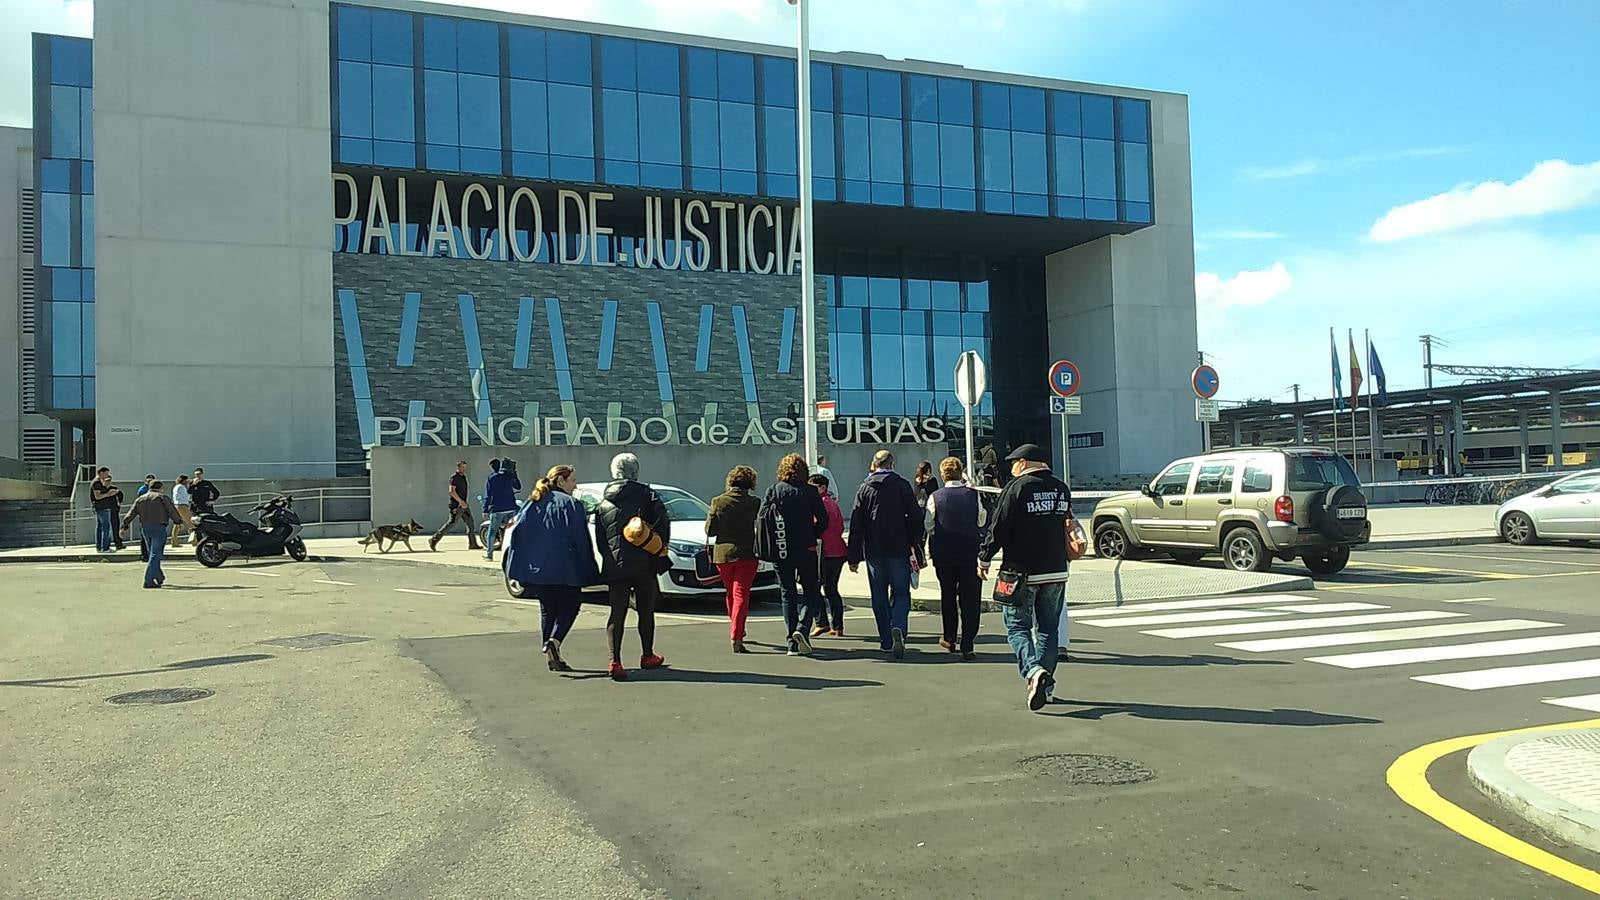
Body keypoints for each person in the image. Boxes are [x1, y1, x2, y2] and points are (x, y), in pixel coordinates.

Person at [978, 443, 1073, 712]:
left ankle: (1033, 671)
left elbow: (1000, 526)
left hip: (1020, 570)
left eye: (1013, 462)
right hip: (1056, 568)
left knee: (1017, 627)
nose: (1011, 466)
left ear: (1024, 462)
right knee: (1047, 629)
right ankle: (1048, 686)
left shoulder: (1017, 488)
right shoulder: (1060, 488)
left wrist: (984, 557)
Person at [504, 464, 598, 672]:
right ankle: (554, 642)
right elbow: (581, 540)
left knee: (548, 609)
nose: (575, 484)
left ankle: (551, 654)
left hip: (538, 569)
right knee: (571, 605)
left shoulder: (533, 502)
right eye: (572, 480)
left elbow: (518, 533)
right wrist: (589, 568)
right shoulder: (572, 504)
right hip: (565, 567)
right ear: (561, 481)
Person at [594, 452, 669, 680]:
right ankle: (647, 655)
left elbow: (600, 539)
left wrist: (609, 558)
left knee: (617, 613)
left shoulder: (603, 502)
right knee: (646, 611)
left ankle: (614, 660)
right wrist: (658, 553)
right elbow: (663, 524)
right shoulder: (647, 495)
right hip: (644, 563)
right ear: (636, 472)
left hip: (616, 566)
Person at [847, 449, 924, 659]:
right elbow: (916, 515)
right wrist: (916, 540)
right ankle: (898, 625)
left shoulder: (864, 488)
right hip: (899, 547)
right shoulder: (901, 485)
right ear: (892, 464)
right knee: (901, 593)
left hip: (874, 549)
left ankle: (886, 640)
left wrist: (853, 556)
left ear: (874, 464)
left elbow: (856, 524)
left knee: (878, 594)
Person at [756, 453, 828, 656]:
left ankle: (791, 643)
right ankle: (803, 628)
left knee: (787, 594)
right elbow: (823, 519)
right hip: (805, 547)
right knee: (811, 590)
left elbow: (762, 517)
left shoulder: (774, 490)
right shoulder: (810, 491)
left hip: (781, 548)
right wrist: (813, 534)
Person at [926, 456, 987, 661]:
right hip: (970, 551)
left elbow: (928, 524)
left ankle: (949, 637)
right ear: (961, 473)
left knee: (948, 595)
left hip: (944, 553)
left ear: (943, 474)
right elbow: (981, 519)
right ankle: (968, 643)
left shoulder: (936, 496)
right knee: (971, 598)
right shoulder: (972, 495)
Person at [705, 465, 761, 654]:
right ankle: (736, 635)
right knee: (741, 594)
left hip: (723, 555)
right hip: (746, 553)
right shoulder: (755, 502)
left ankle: (736, 626)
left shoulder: (718, 501)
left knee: (730, 593)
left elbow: (710, 530)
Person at [121, 480, 182, 588]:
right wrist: (178, 521)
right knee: (156, 554)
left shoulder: (140, 499)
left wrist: (124, 526)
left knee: (152, 554)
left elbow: (131, 513)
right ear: (160, 488)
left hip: (145, 527)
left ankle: (159, 577)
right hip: (159, 526)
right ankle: (148, 580)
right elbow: (171, 510)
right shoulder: (162, 497)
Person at [809, 473, 848, 638]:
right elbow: (840, 526)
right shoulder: (833, 504)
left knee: (814, 587)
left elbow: (814, 526)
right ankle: (837, 625)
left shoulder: (819, 505)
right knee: (831, 588)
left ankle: (821, 622)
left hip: (823, 551)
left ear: (822, 487)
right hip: (837, 550)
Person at [429, 460, 481, 551]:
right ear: (458, 467)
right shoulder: (454, 478)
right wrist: (460, 502)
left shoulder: (463, 477)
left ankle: (472, 544)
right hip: (456, 506)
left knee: (470, 523)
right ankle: (433, 540)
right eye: (462, 467)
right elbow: (451, 491)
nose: (464, 469)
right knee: (451, 524)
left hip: (464, 505)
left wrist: (464, 503)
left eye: (465, 467)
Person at [482, 458, 521, 560]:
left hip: (497, 508)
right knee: (511, 531)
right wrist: (515, 473)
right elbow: (518, 487)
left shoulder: (491, 478)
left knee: (492, 531)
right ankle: (513, 554)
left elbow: (488, 495)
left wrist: (485, 509)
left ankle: (489, 555)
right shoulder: (509, 476)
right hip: (510, 507)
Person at [89, 468, 124, 553]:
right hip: (102, 507)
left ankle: (100, 547)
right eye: (106, 473)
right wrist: (108, 494)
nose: (107, 475)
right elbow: (97, 496)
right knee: (106, 528)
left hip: (101, 507)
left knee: (100, 527)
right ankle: (105, 547)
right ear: (101, 473)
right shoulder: (97, 483)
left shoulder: (99, 482)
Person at [188, 467, 220, 545]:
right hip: (196, 507)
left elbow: (216, 493)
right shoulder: (192, 483)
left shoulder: (207, 483)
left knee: (208, 523)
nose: (197, 476)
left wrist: (212, 501)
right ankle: (199, 541)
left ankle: (209, 540)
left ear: (202, 474)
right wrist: (193, 484)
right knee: (197, 525)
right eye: (196, 474)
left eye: (199, 474)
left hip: (206, 507)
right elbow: (189, 492)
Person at [135, 474, 156, 560]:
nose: (149, 482)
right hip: (144, 514)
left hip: (154, 514)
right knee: (144, 536)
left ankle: (151, 554)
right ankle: (144, 555)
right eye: (148, 481)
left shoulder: (155, 489)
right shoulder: (143, 489)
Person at [169, 474, 194, 547]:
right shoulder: (182, 487)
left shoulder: (176, 487)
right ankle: (194, 540)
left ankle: (174, 541)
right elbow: (186, 496)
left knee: (177, 524)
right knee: (191, 523)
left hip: (176, 505)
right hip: (182, 505)